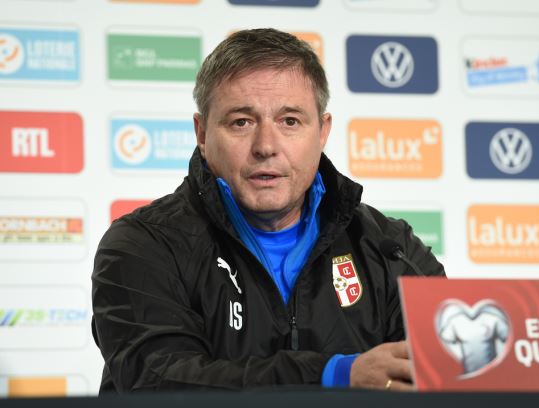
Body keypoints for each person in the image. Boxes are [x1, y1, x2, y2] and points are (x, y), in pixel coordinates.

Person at [91, 28, 445, 393]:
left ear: (322, 132)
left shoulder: (391, 248)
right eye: (241, 122)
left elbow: (445, 374)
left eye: (290, 121)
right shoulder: (143, 245)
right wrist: (334, 375)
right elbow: (162, 382)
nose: (266, 146)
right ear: (202, 133)